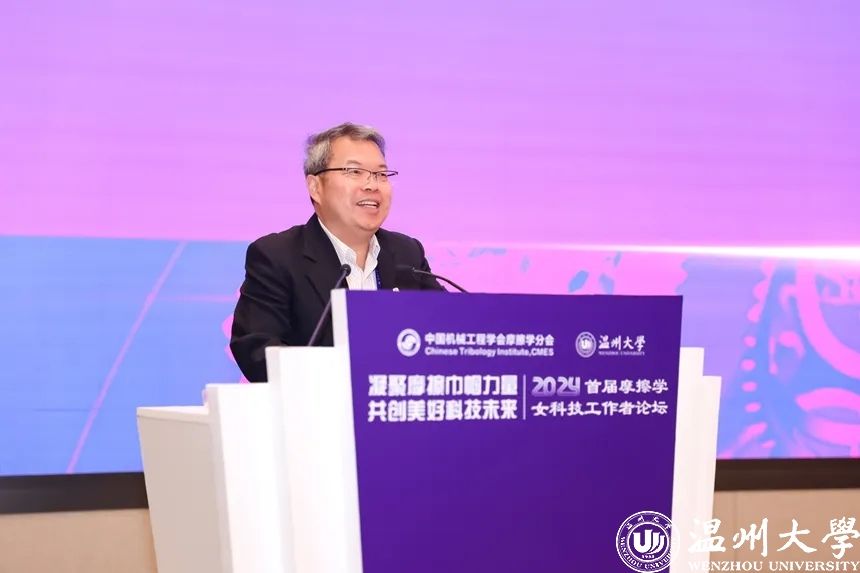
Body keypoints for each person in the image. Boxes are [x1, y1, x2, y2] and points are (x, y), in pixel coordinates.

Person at [230, 122, 443, 382]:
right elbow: (256, 349)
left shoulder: (407, 253)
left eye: (381, 174)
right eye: (354, 171)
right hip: (317, 405)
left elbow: (448, 332)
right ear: (315, 187)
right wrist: (348, 376)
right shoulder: (277, 255)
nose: (372, 185)